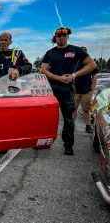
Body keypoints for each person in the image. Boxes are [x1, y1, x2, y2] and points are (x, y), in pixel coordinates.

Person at [41, 27, 97, 155]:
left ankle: (68, 145)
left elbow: (92, 65)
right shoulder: (50, 53)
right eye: (58, 35)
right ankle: (44, 141)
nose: (61, 37)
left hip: (67, 88)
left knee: (68, 118)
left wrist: (74, 75)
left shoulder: (76, 50)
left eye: (64, 35)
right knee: (47, 117)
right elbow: (43, 70)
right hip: (51, 88)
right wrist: (58, 78)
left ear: (67, 37)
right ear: (55, 37)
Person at [72, 46, 98, 134]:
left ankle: (88, 126)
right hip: (75, 91)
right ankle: (72, 124)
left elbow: (94, 76)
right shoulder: (74, 62)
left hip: (86, 91)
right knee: (73, 109)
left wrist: (92, 88)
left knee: (86, 110)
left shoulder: (90, 64)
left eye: (84, 52)